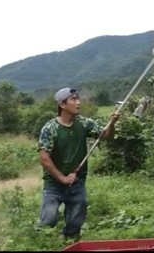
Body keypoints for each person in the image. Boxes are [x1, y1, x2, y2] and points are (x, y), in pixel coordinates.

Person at [37, 87, 119, 240]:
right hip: (54, 184)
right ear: (62, 105)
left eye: (78, 98)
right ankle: (39, 244)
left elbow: (105, 136)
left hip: (77, 181)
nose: (78, 102)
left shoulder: (84, 123)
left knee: (75, 221)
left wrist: (112, 123)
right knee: (48, 220)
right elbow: (44, 158)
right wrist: (62, 178)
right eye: (73, 99)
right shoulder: (50, 128)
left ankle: (68, 242)